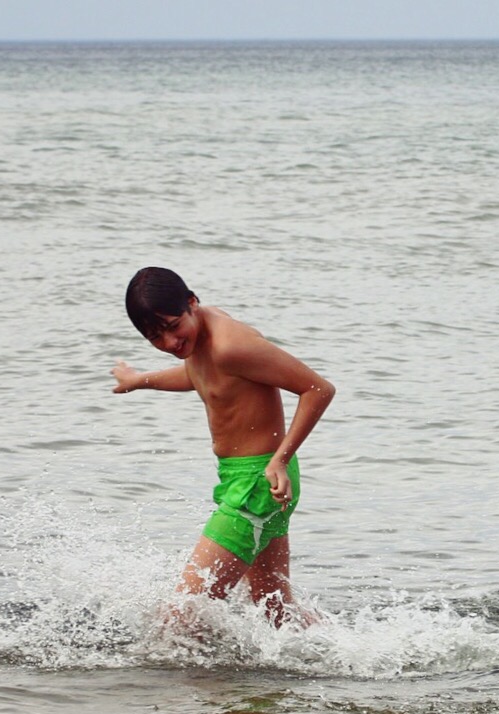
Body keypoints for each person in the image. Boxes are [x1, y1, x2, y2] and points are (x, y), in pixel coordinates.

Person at [111, 267, 335, 627]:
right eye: (155, 337)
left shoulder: (231, 345)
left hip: (259, 484)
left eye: (173, 327)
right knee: (276, 611)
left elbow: (318, 389)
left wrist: (280, 459)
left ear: (191, 302)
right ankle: (356, 651)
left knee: (180, 617)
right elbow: (200, 375)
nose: (170, 343)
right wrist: (140, 380)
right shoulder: (205, 337)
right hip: (245, 478)